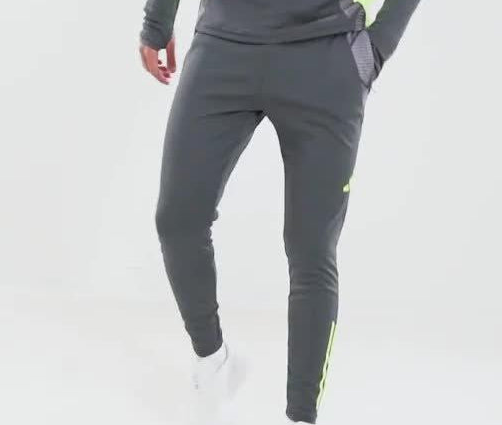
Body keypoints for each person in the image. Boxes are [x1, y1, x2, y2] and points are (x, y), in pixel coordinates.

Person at [138, 1, 420, 424]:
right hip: (223, 45)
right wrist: (157, 23)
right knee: (177, 218)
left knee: (310, 249)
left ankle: (301, 415)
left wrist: (377, 47)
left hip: (325, 53)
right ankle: (212, 360)